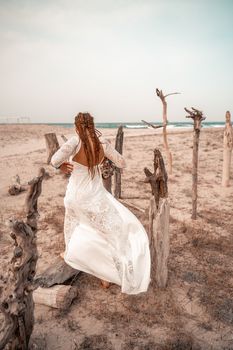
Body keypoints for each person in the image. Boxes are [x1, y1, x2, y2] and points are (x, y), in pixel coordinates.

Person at [51, 112, 151, 294]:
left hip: (75, 197)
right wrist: (104, 161)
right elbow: (122, 163)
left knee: (76, 226)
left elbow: (54, 160)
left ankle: (71, 253)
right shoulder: (102, 144)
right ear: (92, 124)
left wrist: (61, 166)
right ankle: (105, 275)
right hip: (94, 197)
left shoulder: (75, 141)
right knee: (105, 233)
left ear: (76, 127)